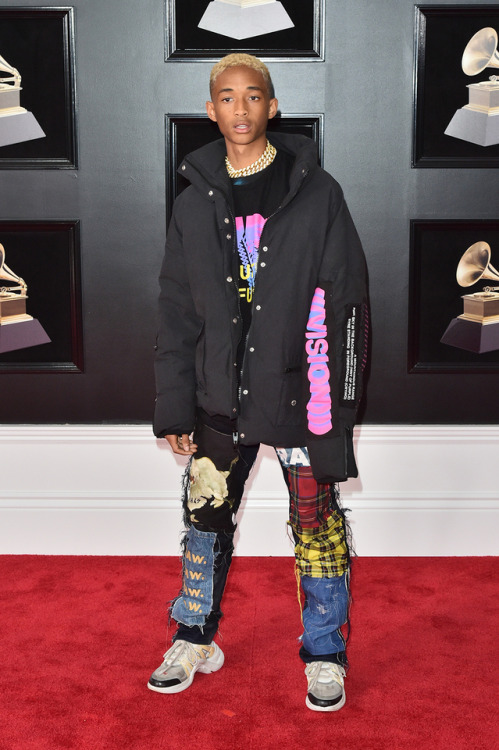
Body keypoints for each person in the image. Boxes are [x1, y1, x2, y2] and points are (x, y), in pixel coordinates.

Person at [149, 53, 368, 712]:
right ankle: (193, 638)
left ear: (272, 108)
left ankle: (325, 652)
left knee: (316, 523)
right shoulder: (191, 204)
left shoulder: (317, 192)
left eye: (253, 97)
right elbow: (177, 312)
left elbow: (346, 305)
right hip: (219, 397)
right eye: (225, 97)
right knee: (205, 520)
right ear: (210, 108)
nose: (239, 110)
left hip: (303, 395)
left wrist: (338, 410)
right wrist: (174, 405)